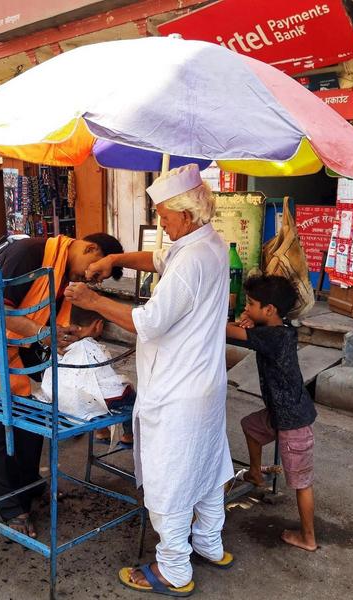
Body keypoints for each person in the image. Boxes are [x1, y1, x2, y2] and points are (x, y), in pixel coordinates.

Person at [65, 164, 234, 596]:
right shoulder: (207, 243)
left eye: (164, 216)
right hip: (203, 385)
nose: (160, 223)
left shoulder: (193, 258)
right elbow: (157, 258)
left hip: (179, 389)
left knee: (171, 477)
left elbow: (149, 322)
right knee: (207, 465)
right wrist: (116, 259)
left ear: (187, 213)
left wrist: (93, 300)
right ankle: (209, 543)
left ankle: (175, 568)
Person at [0, 232, 124, 539]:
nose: (89, 280)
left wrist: (69, 334)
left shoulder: (61, 275)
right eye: (93, 272)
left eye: (96, 280)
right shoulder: (29, 253)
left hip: (20, 345)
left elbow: (45, 321)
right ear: (90, 248)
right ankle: (11, 508)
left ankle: (29, 488)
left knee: (33, 420)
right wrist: (42, 333)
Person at [226, 275, 318, 552]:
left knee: (302, 484)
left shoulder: (272, 337)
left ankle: (308, 538)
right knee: (250, 426)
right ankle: (255, 473)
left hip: (293, 422)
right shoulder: (281, 329)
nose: (247, 308)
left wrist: (218, 315)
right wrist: (250, 321)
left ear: (269, 310)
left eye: (251, 304)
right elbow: (249, 334)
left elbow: (229, 332)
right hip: (281, 413)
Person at [40, 305, 135, 445]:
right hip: (85, 398)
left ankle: (102, 431)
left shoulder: (61, 343)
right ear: (98, 325)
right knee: (131, 397)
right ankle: (129, 436)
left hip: (59, 397)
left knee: (95, 393)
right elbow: (105, 376)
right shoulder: (91, 346)